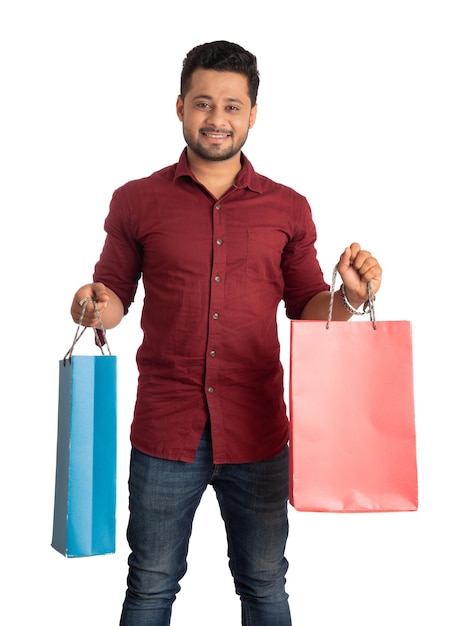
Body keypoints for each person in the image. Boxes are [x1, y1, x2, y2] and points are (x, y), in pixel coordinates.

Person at [70, 40, 382, 626]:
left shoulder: (288, 208)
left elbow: (307, 307)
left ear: (253, 114)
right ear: (181, 106)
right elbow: (112, 296)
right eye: (204, 103)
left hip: (259, 430)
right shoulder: (135, 201)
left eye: (232, 106)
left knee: (265, 584)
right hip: (166, 431)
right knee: (151, 584)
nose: (217, 119)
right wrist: (91, 305)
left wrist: (348, 298)